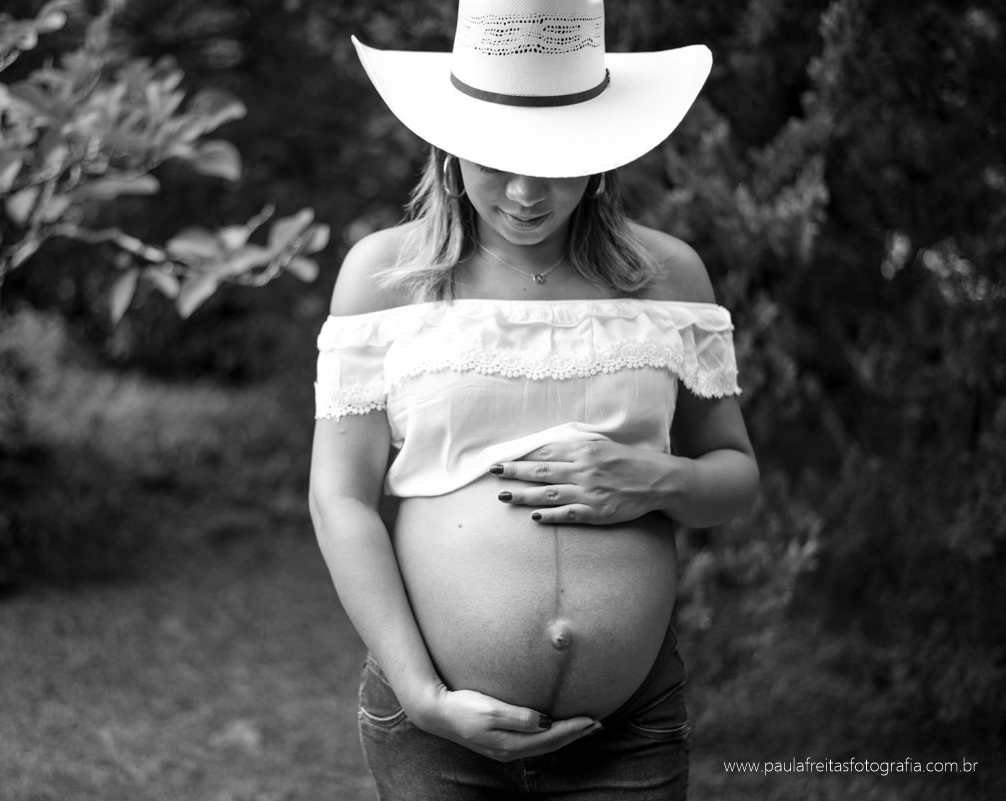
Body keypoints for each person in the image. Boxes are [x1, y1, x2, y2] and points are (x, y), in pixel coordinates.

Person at [308, 1, 759, 798]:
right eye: (495, 159)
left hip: (628, 733)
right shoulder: (385, 275)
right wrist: (422, 695)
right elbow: (339, 497)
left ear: (603, 152)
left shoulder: (671, 278)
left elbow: (735, 475)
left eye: (555, 161)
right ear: (448, 150)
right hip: (437, 730)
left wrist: (652, 479)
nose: (525, 191)